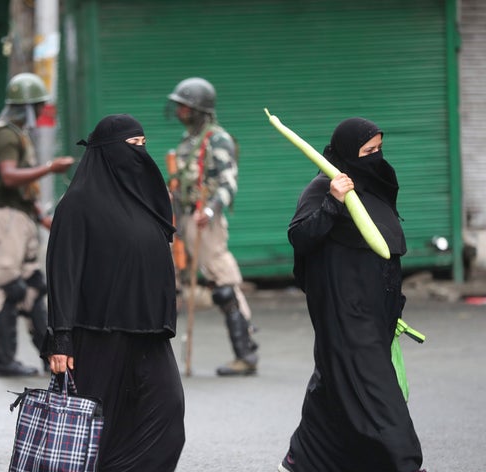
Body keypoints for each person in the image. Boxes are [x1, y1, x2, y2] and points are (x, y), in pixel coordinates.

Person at [278, 118, 425, 472]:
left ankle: (308, 457)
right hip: (346, 317)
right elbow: (300, 236)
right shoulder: (322, 187)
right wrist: (333, 200)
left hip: (375, 316)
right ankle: (406, 463)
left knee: (336, 384)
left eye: (378, 150)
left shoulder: (372, 186)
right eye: (367, 152)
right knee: (380, 398)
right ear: (346, 153)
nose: (375, 158)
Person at [45, 114, 185, 471]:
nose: (141, 154)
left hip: (149, 331)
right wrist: (61, 338)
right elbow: (63, 272)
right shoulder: (77, 204)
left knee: (166, 417)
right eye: (132, 147)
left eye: (144, 145)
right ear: (108, 152)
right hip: (98, 334)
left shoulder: (142, 200)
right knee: (97, 431)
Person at [0, 72, 74, 377]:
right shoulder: (5, 135)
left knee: (33, 286)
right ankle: (3, 360)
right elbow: (8, 177)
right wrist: (49, 168)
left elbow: (21, 187)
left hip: (18, 216)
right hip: (4, 218)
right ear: (26, 106)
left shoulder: (17, 133)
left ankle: (50, 358)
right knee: (8, 287)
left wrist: (42, 217)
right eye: (38, 106)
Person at [165, 77, 259, 376]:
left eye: (185, 106)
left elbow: (228, 182)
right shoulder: (187, 141)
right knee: (187, 283)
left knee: (223, 284)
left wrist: (210, 207)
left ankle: (246, 353)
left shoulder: (217, 139)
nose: (179, 110)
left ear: (199, 109)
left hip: (206, 219)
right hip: (185, 218)